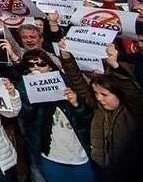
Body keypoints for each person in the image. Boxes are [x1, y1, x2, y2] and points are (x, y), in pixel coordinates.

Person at [59, 41, 143, 181]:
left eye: (104, 94)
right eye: (96, 94)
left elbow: (131, 91)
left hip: (128, 171)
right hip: (103, 169)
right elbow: (78, 82)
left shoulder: (132, 111)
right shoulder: (98, 108)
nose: (99, 98)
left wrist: (115, 66)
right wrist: (66, 57)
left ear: (118, 93)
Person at [15, 50, 93, 182]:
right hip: (51, 157)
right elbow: (25, 117)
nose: (36, 68)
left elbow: (87, 120)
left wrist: (76, 104)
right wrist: (30, 93)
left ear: (50, 66)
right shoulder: (23, 88)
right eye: (31, 65)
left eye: (41, 64)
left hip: (79, 155)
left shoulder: (67, 85)